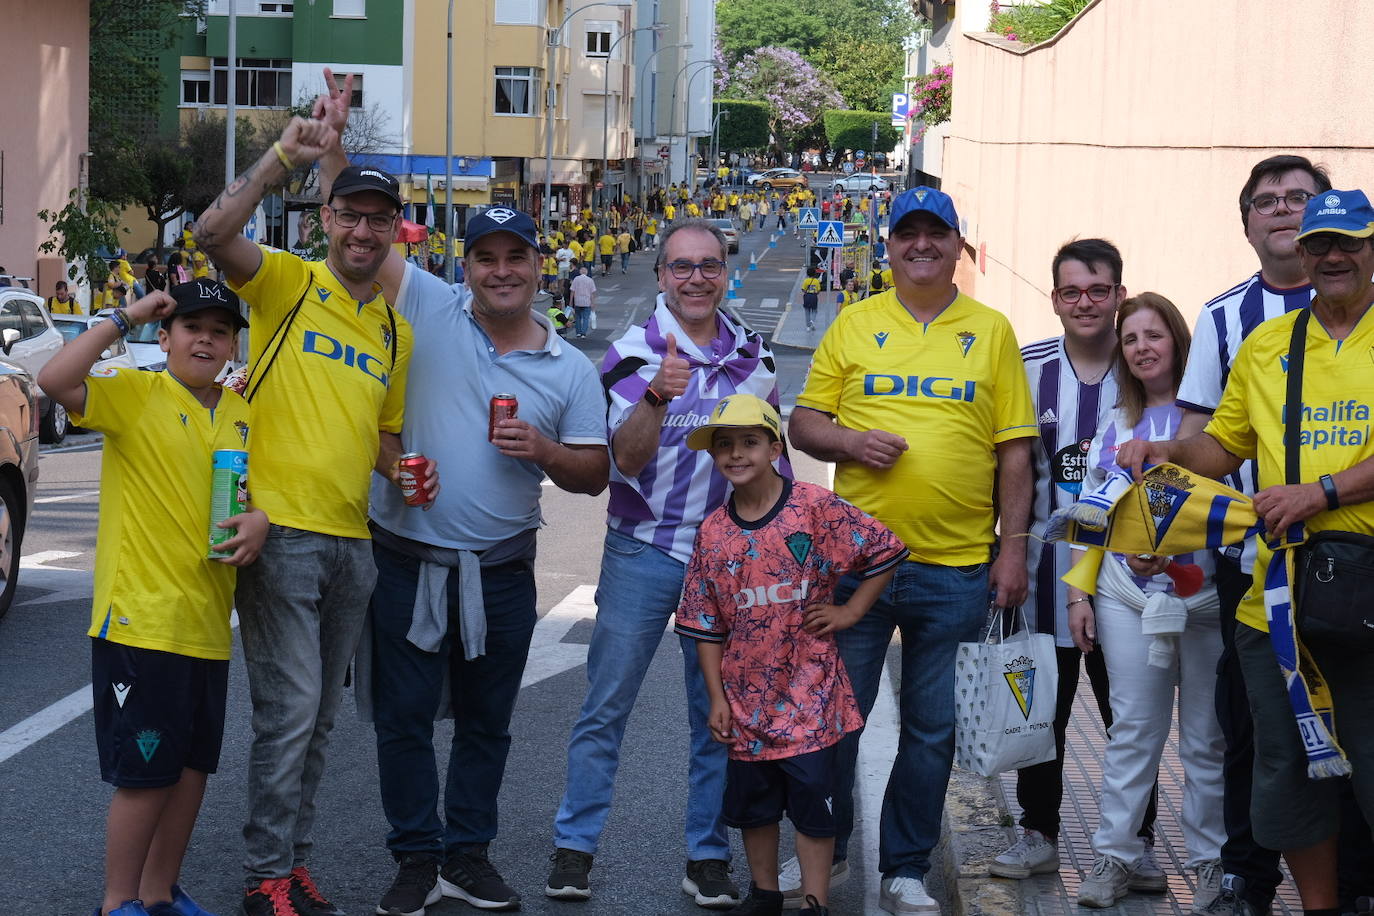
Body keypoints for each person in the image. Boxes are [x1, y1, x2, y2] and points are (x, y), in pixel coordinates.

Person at [337, 198, 609, 913]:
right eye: (486, 257)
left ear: (537, 267)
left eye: (515, 256)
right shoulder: (429, 307)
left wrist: (544, 451)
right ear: (467, 268)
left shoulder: (569, 368)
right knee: (404, 722)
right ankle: (415, 860)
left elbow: (593, 474)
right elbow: (368, 236)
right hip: (406, 560)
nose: (501, 271)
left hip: (502, 571)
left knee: (488, 724)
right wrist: (331, 149)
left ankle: (467, 856)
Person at [1117, 190, 1374, 916]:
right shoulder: (1268, 345)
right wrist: (1169, 451)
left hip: (1369, 592)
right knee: (1287, 773)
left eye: (1349, 242)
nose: (1332, 256)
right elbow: (1225, 447)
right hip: (1280, 601)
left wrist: (1319, 492)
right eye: (1320, 243)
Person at [788, 186, 1036, 914]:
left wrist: (1012, 549)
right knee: (833, 720)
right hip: (856, 568)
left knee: (932, 734)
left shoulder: (991, 331)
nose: (922, 246)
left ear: (960, 246)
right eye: (908, 235)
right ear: (888, 245)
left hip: (958, 569)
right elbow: (803, 425)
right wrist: (851, 440)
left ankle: (905, 868)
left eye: (937, 234)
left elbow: (1015, 453)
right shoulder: (856, 323)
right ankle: (822, 857)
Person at [193, 108, 416, 916]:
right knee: (289, 715)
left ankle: (292, 866)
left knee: (319, 724)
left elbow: (382, 438)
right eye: (350, 214)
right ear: (327, 218)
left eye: (378, 218)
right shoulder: (289, 282)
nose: (363, 230)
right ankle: (263, 879)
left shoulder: (394, 331)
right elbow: (215, 235)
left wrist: (408, 470)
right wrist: (284, 153)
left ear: (397, 229)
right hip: (279, 532)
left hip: (353, 542)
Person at [547, 218, 784, 908]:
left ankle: (706, 856)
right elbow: (622, 461)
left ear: (725, 272)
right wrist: (659, 393)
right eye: (682, 267)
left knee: (716, 714)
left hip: (725, 562)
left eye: (709, 265)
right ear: (661, 276)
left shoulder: (755, 358)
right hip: (642, 548)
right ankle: (574, 849)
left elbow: (777, 466)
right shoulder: (627, 355)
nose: (696, 279)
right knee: (605, 706)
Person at [38, 282, 267, 916]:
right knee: (146, 778)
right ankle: (118, 903)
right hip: (141, 623)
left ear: (232, 345)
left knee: (192, 772)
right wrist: (128, 314)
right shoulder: (136, 395)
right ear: (164, 337)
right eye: (191, 326)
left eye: (220, 331)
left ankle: (159, 894)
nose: (205, 339)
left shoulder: (241, 413)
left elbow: (253, 496)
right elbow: (54, 377)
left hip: (206, 624)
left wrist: (261, 522)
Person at [675, 394, 906, 916]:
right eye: (724, 445)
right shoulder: (713, 533)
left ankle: (814, 900)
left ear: (776, 446)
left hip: (810, 697)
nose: (736, 454)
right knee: (755, 810)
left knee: (813, 810)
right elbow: (704, 625)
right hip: (745, 703)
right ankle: (764, 894)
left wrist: (850, 613)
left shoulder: (813, 508)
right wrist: (716, 698)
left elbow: (883, 549)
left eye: (750, 441)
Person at [994, 240, 1163, 887]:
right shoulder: (1028, 367)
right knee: (1041, 714)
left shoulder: (1147, 368)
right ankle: (1039, 832)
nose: (1085, 302)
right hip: (1041, 579)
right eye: (1072, 291)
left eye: (1098, 290)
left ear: (1120, 294)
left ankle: (1137, 841)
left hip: (1127, 583)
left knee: (1131, 716)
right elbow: (1003, 467)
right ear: (1055, 298)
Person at [1064, 293, 1225, 909]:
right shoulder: (1116, 422)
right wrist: (1079, 593)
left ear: (1179, 342)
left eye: (1153, 336)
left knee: (1206, 739)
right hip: (1126, 596)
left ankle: (1209, 864)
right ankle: (1115, 856)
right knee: (1133, 730)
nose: (1141, 349)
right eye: (1130, 340)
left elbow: (1224, 506)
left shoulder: (1214, 419)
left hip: (1205, 598)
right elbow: (1091, 514)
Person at [570, 265, 596, 339]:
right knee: (585, 318)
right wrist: (593, 303)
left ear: (580, 272)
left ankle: (578, 333)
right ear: (587, 272)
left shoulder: (576, 279)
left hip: (577, 301)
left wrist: (571, 302)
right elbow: (592, 293)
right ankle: (583, 333)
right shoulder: (590, 280)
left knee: (577, 318)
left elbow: (572, 291)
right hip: (587, 302)